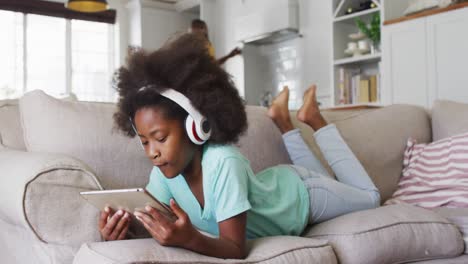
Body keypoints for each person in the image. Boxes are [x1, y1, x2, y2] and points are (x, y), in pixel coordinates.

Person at [97, 33, 380, 259]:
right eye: (144, 142)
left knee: (371, 199)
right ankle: (285, 121)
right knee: (333, 181)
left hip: (301, 196)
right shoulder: (162, 175)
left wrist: (190, 238)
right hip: (281, 185)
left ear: (196, 127)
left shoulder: (223, 162)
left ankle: (316, 121)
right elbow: (153, 224)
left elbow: (235, 249)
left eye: (160, 138)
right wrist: (121, 231)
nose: (152, 152)